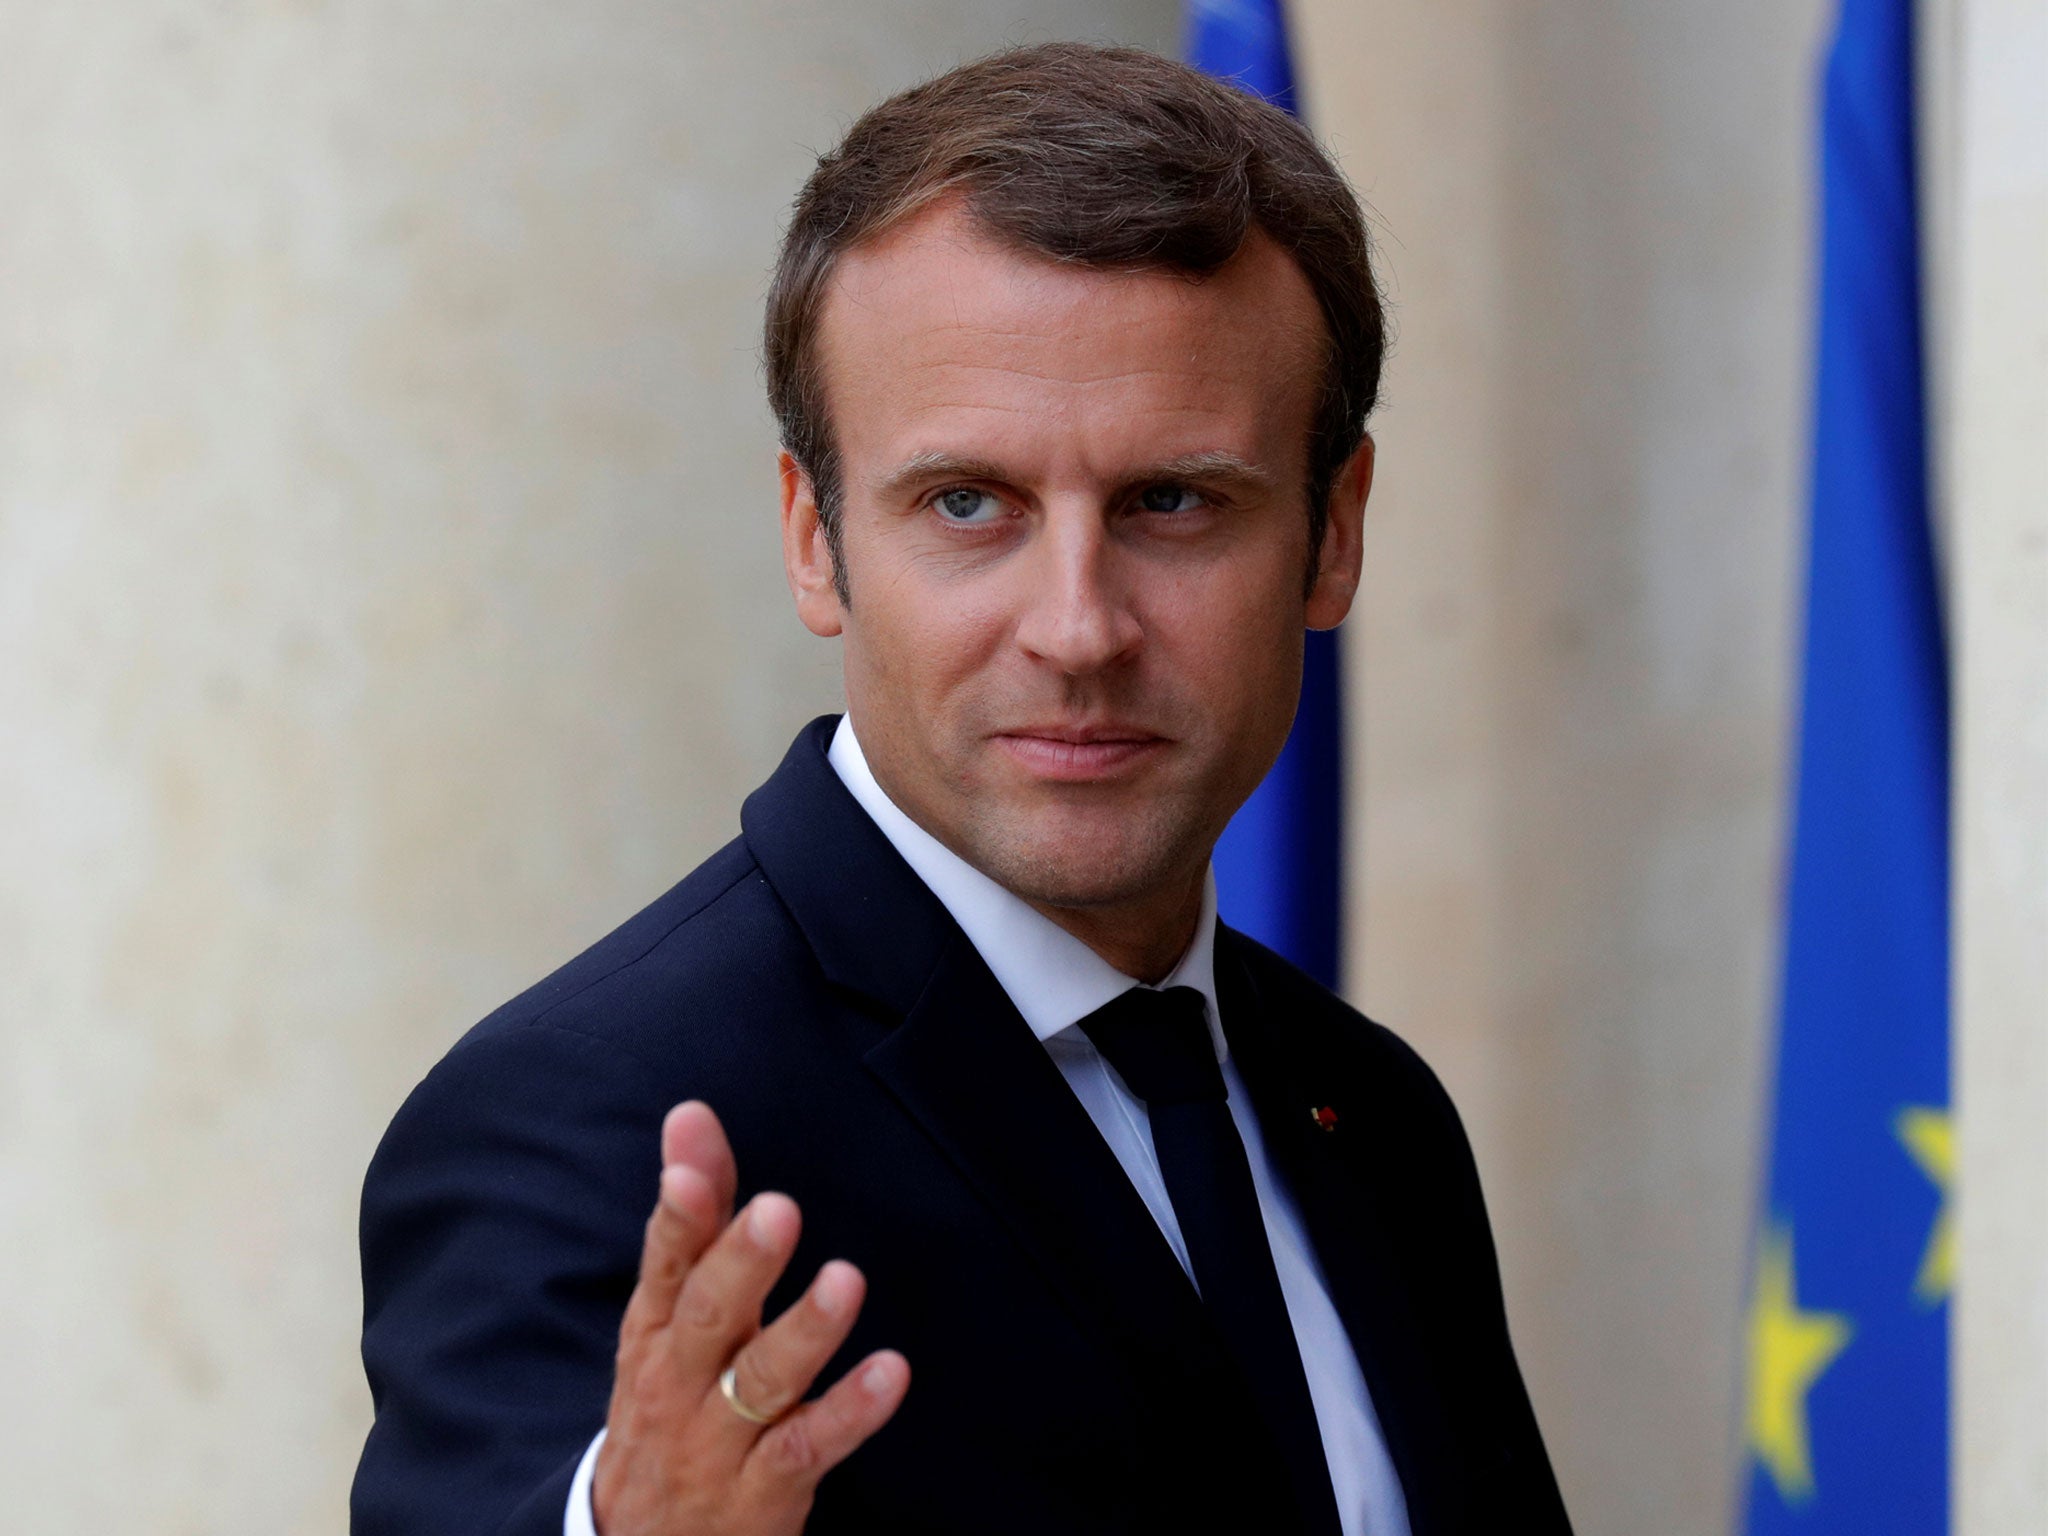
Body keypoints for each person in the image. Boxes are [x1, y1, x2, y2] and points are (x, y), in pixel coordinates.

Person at [351, 41, 1572, 1536]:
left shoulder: (1374, 1117)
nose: (1077, 627)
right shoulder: (591, 1120)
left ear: (1334, 535)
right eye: (969, 504)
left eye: (1172, 502)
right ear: (815, 539)